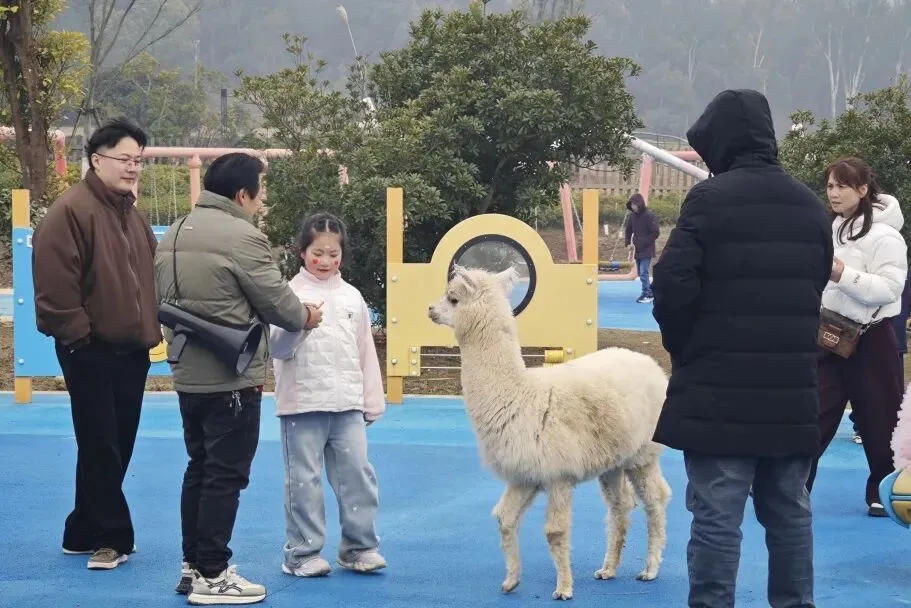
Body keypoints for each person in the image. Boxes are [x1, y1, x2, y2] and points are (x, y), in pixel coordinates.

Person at [651, 89, 832, 608]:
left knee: (717, 517)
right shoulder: (810, 205)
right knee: (791, 512)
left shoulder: (709, 200)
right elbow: (817, 283)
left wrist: (685, 348)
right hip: (792, 390)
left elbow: (672, 285)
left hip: (718, 390)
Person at [154, 152, 321, 604]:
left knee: (200, 467)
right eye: (260, 193)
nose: (261, 202)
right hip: (232, 375)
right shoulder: (244, 237)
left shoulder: (174, 232)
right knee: (225, 476)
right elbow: (281, 306)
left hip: (188, 373)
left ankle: (192, 565)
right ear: (243, 194)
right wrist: (308, 315)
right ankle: (213, 574)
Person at [32, 118, 159, 570]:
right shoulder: (70, 211)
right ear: (96, 159)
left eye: (138, 160)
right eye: (124, 159)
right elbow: (54, 284)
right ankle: (112, 536)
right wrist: (78, 337)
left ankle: (82, 529)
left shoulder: (130, 214)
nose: (132, 168)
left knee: (114, 442)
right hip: (89, 348)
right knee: (101, 441)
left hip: (132, 349)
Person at [270, 212, 387, 577]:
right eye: (317, 253)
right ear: (302, 252)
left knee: (358, 476)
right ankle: (301, 554)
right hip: (302, 405)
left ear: (342, 254)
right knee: (303, 481)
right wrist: (302, 324)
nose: (325, 261)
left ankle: (358, 548)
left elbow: (365, 351)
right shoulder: (288, 295)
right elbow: (277, 348)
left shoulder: (352, 296)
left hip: (347, 405)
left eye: (333, 254)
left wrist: (371, 400)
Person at [805, 157, 907, 518]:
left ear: (863, 190)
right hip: (829, 334)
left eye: (842, 186)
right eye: (830, 185)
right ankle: (794, 484)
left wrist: (841, 274)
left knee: (881, 418)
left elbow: (889, 289)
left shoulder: (886, 236)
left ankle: (885, 490)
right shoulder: (829, 228)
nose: (833, 193)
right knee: (812, 411)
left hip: (872, 338)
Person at [623, 192, 660, 303]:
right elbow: (628, 230)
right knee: (641, 273)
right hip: (638, 249)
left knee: (644, 272)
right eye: (631, 204)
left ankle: (646, 294)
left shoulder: (648, 216)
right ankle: (650, 292)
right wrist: (627, 243)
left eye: (634, 204)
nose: (633, 206)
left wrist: (644, 242)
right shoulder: (632, 216)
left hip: (647, 249)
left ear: (639, 204)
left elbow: (655, 232)